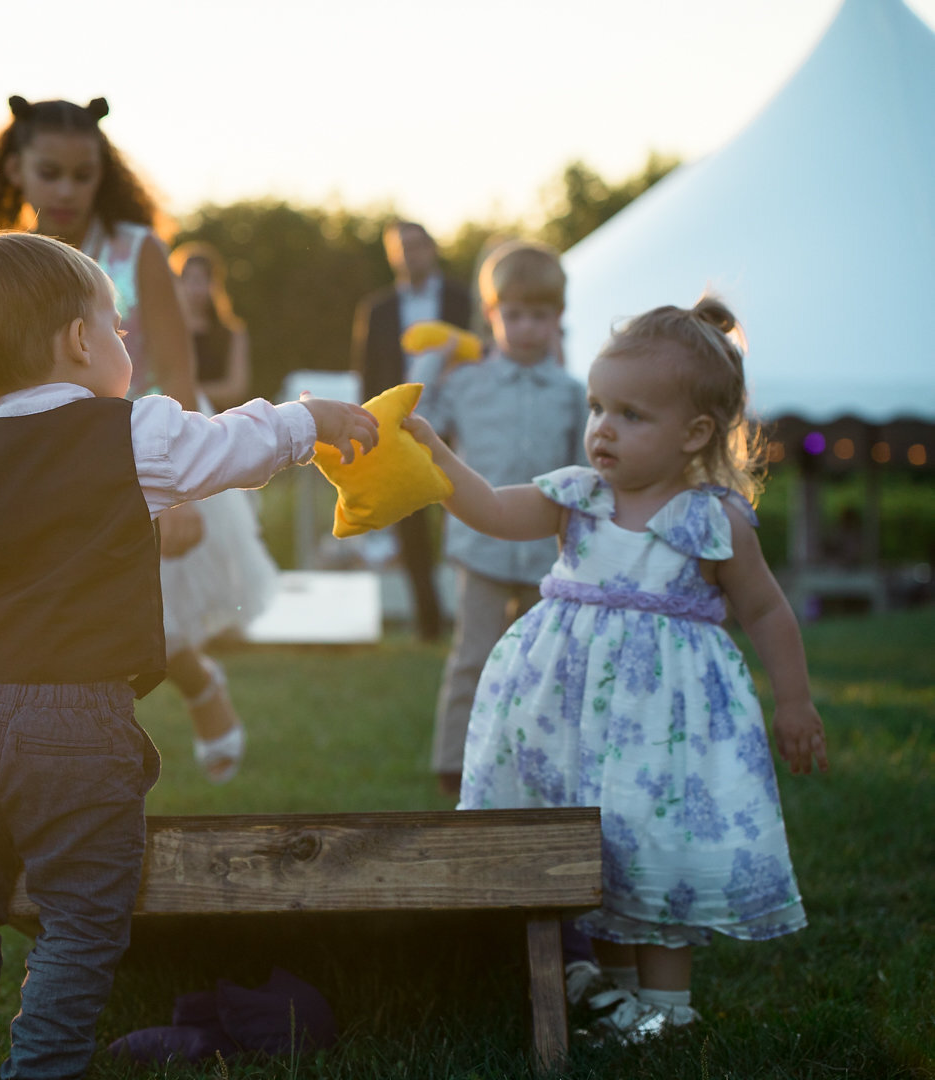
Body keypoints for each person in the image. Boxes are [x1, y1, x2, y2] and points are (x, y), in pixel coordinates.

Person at [0, 230, 378, 1080]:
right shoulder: (130, 433)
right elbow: (229, 445)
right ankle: (45, 1065)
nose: (125, 344)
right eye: (116, 328)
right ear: (78, 341)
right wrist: (310, 423)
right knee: (82, 915)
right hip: (81, 723)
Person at [404, 296, 828, 1042]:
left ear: (695, 432)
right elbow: (495, 511)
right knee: (592, 850)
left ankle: (669, 1012)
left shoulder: (712, 520)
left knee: (652, 849)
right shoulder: (578, 497)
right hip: (571, 724)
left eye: (632, 415)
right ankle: (615, 995)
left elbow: (766, 612)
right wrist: (440, 457)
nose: (603, 427)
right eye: (599, 406)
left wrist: (793, 702)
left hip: (667, 734)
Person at [0, 96, 267, 783]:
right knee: (65, 613)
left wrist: (179, 489)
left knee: (149, 618)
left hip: (134, 455)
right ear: (16, 169)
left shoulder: (137, 252)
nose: (66, 190)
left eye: (82, 175)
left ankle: (198, 687)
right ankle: (62, 761)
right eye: (49, 172)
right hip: (32, 464)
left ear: (103, 175)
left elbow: (175, 368)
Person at [418, 241, 586, 798]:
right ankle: (452, 762)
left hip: (549, 551)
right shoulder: (464, 383)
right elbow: (417, 427)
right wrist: (433, 362)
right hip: (480, 546)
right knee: (474, 655)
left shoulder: (572, 393)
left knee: (548, 663)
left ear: (558, 318)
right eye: (513, 315)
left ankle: (541, 760)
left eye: (539, 316)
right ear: (491, 316)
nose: (526, 327)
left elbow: (586, 468)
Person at [350, 220, 474, 642]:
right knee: (412, 522)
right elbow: (367, 372)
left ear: (432, 248)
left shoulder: (461, 298)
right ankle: (429, 621)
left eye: (416, 245)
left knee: (464, 509)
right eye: (401, 247)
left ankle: (471, 610)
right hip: (402, 424)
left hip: (460, 418)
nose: (409, 254)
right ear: (390, 254)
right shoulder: (377, 309)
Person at [170, 242, 251, 410]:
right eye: (189, 280)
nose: (194, 289)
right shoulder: (168, 332)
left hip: (218, 422)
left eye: (201, 280)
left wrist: (190, 393)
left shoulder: (233, 333)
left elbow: (236, 388)